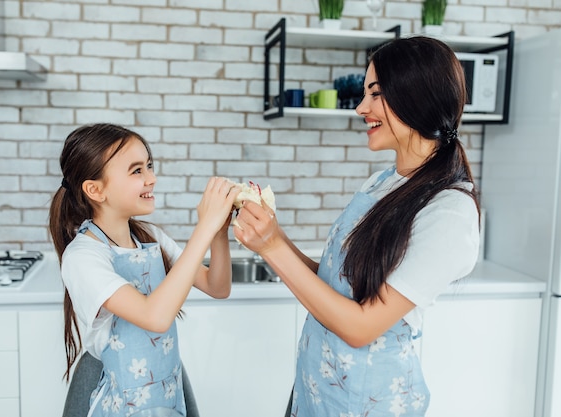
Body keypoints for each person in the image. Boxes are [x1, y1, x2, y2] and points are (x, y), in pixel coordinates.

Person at [233, 36, 480, 416]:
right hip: (316, 387)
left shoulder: (449, 211)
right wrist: (274, 234)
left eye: (375, 93)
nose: (362, 108)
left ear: (416, 95)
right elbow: (334, 281)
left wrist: (272, 248)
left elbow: (361, 326)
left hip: (368, 401)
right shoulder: (381, 182)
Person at [49, 123, 240, 417]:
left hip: (165, 389)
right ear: (95, 190)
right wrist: (204, 227)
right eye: (137, 170)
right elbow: (155, 317)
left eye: (149, 166)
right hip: (121, 401)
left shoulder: (150, 238)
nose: (152, 178)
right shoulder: (84, 256)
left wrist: (218, 231)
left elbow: (218, 287)